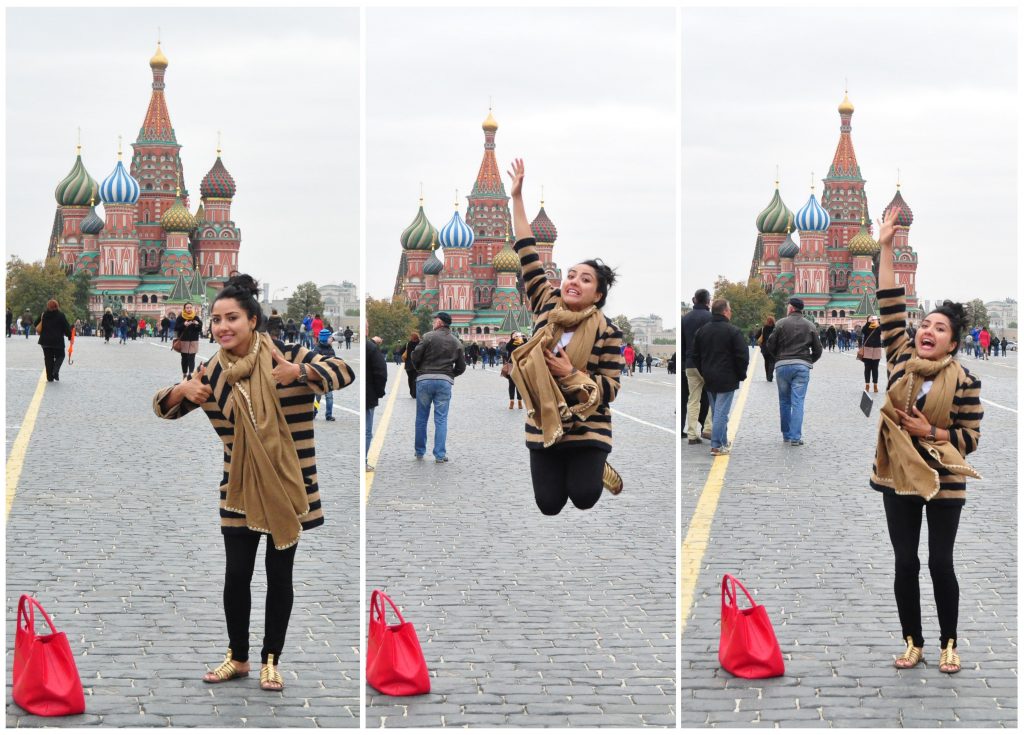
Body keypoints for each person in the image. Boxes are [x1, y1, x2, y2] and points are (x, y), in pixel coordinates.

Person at [152, 274, 354, 692]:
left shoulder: (285, 355)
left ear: (253, 320)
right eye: (217, 320)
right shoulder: (211, 372)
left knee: (280, 576)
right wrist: (180, 391)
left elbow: (343, 371)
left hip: (287, 485)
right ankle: (238, 657)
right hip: (239, 488)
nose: (222, 327)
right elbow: (163, 409)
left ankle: (271, 660)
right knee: (236, 576)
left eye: (232, 318)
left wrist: (299, 372)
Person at [871, 208, 982, 676]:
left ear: (953, 343)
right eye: (925, 325)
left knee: (940, 563)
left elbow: (969, 438)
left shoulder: (965, 381)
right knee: (904, 563)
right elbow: (890, 300)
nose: (927, 331)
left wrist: (929, 432)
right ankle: (913, 642)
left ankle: (949, 644)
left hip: (944, 483)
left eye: (939, 328)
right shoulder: (899, 359)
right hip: (898, 477)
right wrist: (885, 245)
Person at [506, 158, 624, 514]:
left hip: (588, 427)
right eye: (571, 275)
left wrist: (570, 375)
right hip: (544, 422)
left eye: (585, 279)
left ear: (598, 295)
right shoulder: (545, 303)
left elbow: (611, 388)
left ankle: (594, 467)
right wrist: (517, 198)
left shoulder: (607, 332)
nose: (574, 281)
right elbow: (527, 250)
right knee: (549, 504)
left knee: (585, 497)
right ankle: (578, 469)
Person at [692, 299, 748, 456]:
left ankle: (722, 441)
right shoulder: (733, 331)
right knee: (721, 413)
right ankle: (716, 446)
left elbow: (695, 355)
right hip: (727, 377)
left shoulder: (702, 331)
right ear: (724, 312)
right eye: (729, 310)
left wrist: (703, 371)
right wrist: (740, 374)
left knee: (718, 411)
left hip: (709, 377)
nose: (731, 312)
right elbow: (742, 356)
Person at [765, 297, 822, 446]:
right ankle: (796, 437)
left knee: (784, 401)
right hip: (802, 366)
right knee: (798, 401)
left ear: (791, 308)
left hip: (782, 366)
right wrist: (808, 361)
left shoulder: (780, 323)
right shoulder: (810, 325)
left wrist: (778, 358)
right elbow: (818, 349)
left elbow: (770, 344)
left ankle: (786, 435)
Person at [411, 311, 466, 462]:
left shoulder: (428, 336)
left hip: (424, 379)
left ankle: (420, 451)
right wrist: (450, 375)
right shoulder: (456, 341)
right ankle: (440, 455)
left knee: (421, 417)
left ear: (440, 322)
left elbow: (415, 356)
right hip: (444, 382)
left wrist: (420, 370)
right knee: (441, 419)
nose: (433, 322)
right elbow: (461, 366)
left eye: (435, 320)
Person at [681, 289, 713, 444]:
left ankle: (692, 434)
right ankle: (707, 429)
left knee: (693, 399)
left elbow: (682, 344)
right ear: (708, 301)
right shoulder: (711, 317)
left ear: (695, 300)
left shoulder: (685, 319)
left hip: (690, 364)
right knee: (714, 397)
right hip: (707, 363)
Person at [35, 299, 72, 382]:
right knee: (61, 356)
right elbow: (66, 328)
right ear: (57, 306)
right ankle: (55, 371)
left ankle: (49, 377)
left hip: (45, 341)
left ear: (48, 306)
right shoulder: (61, 315)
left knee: (48, 358)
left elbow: (35, 323)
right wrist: (70, 337)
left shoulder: (43, 314)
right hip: (57, 341)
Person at [366, 335, 388, 470]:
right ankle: (363, 461)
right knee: (366, 431)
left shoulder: (369, 346)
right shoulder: (371, 348)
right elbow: (381, 372)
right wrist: (379, 392)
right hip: (369, 395)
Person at [312, 329, 337, 422]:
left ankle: (329, 414)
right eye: (330, 337)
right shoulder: (317, 349)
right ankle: (314, 411)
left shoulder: (331, 349)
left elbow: (334, 361)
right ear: (325, 338)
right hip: (319, 376)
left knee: (329, 396)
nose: (331, 339)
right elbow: (314, 362)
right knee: (317, 397)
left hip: (329, 377)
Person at [174, 303, 203, 381]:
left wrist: (197, 324)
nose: (189, 309)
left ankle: (191, 374)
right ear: (184, 309)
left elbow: (200, 329)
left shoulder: (196, 317)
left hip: (194, 340)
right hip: (184, 340)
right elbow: (176, 328)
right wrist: (184, 324)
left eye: (190, 307)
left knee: (191, 357)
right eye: (187, 308)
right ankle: (184, 373)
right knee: (184, 358)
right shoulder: (180, 318)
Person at [860, 314, 883, 392]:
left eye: (874, 318)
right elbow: (863, 331)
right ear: (868, 319)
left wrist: (877, 322)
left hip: (876, 349)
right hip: (867, 349)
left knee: (875, 368)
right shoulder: (866, 327)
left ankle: (875, 385)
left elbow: (881, 331)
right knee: (867, 368)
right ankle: (867, 385)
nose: (872, 319)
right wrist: (868, 322)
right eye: (871, 318)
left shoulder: (878, 327)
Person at [504, 331, 526, 409]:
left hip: (520, 365)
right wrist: (512, 339)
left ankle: (520, 401)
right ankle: (511, 401)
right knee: (511, 384)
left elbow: (527, 347)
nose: (516, 336)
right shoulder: (510, 344)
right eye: (514, 335)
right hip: (511, 365)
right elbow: (507, 348)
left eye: (517, 335)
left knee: (519, 384)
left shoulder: (522, 342)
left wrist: (524, 338)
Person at [756, 315, 776, 382]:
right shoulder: (775, 328)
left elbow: (756, 336)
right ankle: (770, 375)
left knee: (766, 361)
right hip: (773, 348)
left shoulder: (763, 328)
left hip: (764, 348)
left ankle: (767, 376)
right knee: (772, 361)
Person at [402, 331, 420, 398]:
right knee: (416, 378)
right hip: (417, 364)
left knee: (410, 378)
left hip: (408, 365)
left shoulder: (407, 344)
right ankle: (414, 393)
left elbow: (401, 351)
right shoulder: (420, 343)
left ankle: (411, 392)